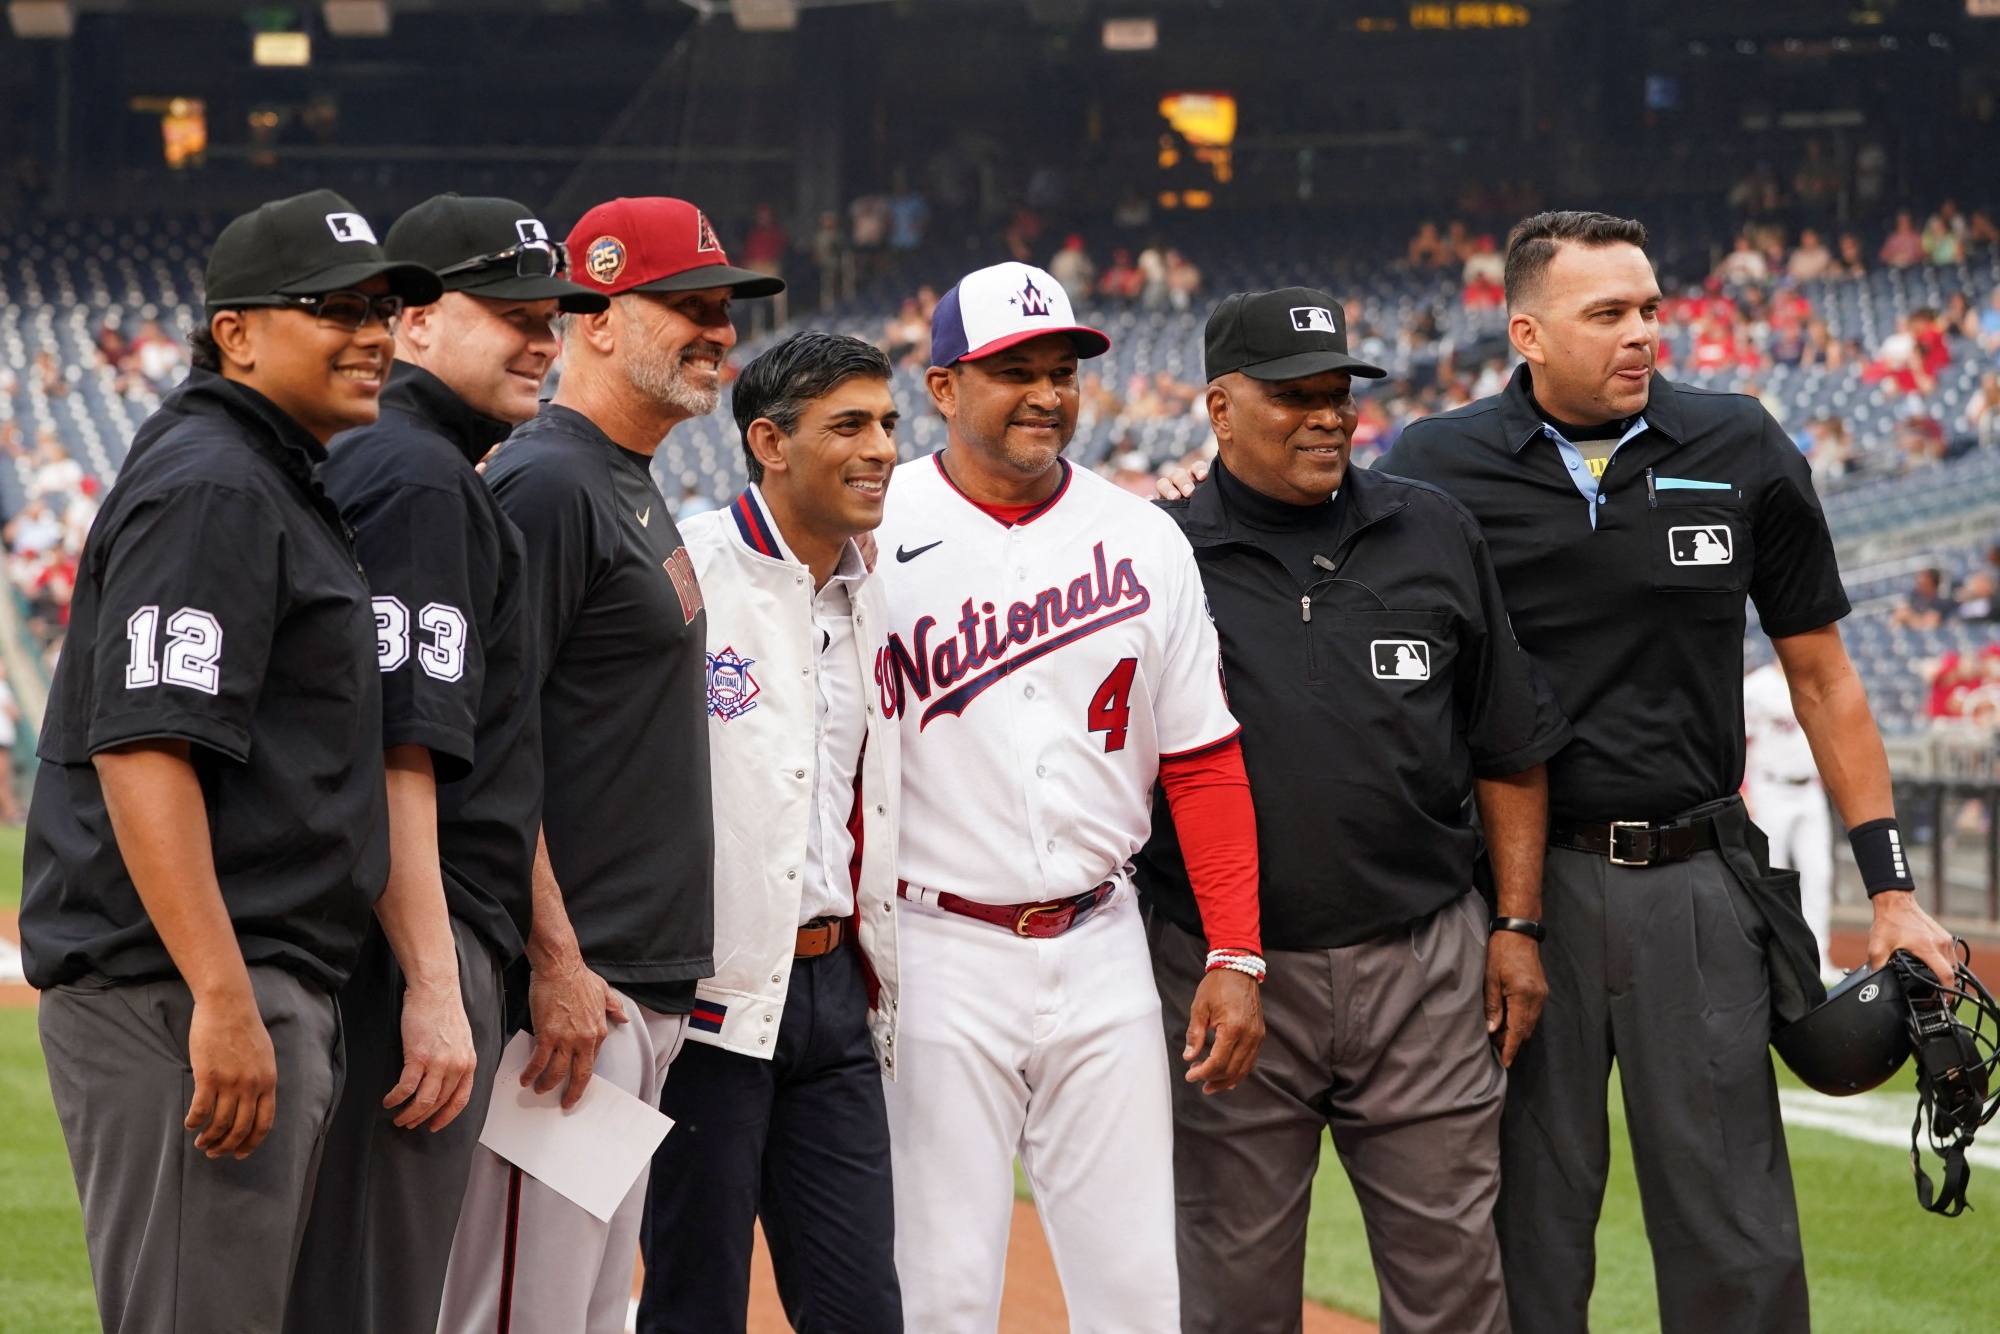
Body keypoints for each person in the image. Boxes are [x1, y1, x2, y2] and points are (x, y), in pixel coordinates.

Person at [1375, 211, 1956, 1334]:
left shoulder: (1736, 445)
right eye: (1608, 314)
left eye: (1648, 307)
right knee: (1523, 1224)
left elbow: (1824, 678)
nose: (1641, 332)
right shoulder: (1433, 465)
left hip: (1692, 878)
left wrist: (1886, 887)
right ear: (1527, 332)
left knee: (1732, 1226)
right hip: (1511, 894)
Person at [19, 188, 440, 1334]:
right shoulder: (213, 482)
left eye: (384, 307)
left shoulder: (271, 476)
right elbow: (146, 747)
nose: (371, 331)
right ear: (236, 332)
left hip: (242, 975)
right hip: (186, 988)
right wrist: (218, 991)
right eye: (334, 307)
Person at [1142, 288, 1572, 1334]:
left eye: (1338, 392)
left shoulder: (1430, 528)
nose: (1326, 415)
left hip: (1421, 958)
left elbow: (1507, 747)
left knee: (1452, 1287)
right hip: (1227, 967)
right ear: (1219, 406)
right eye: (1293, 396)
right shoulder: (1154, 553)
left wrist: (1514, 925)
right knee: (1231, 1293)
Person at [875, 262, 1265, 1332]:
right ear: (943, 386)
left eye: (1061, 370)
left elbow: (1200, 756)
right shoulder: (872, 524)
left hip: (1101, 938)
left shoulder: (1143, 536)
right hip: (933, 940)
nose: (1047, 392)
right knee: (940, 1287)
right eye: (1014, 371)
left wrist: (1234, 950)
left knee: (1136, 1287)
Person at [436, 196, 783, 1334]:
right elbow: (488, 737)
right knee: (519, 1312)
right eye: (684, 305)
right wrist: (555, 958)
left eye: (722, 309)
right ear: (593, 316)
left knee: (586, 1310)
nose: (716, 331)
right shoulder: (545, 481)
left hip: (633, 982)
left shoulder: (624, 480)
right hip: (573, 994)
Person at [286, 194, 607, 1334]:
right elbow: (397, 741)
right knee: (374, 1290)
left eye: (552, 313)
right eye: (508, 308)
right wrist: (432, 978)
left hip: (384, 932)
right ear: (411, 325)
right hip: (402, 942)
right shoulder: (421, 477)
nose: (542, 335)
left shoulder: (404, 461)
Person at [638, 332, 905, 1332]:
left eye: (886, 421)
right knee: (693, 1301)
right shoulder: (683, 568)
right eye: (848, 424)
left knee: (860, 1307)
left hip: (834, 991)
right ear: (769, 442)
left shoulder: (871, 587)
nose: (880, 445)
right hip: (704, 995)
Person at [1743, 658, 1836, 982]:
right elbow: (1739, 741)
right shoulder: (1756, 687)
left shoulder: (1816, 680)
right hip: (1769, 786)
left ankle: (1819, 959)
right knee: (1774, 874)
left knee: (1819, 874)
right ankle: (1775, 961)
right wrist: (1744, 789)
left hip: (1809, 789)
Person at [1890, 567, 1954, 629]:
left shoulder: (1942, 603)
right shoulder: (1913, 597)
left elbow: (1931, 623)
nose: (1919, 581)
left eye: (1923, 578)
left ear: (1932, 582)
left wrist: (1910, 618)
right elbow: (1899, 615)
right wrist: (1918, 620)